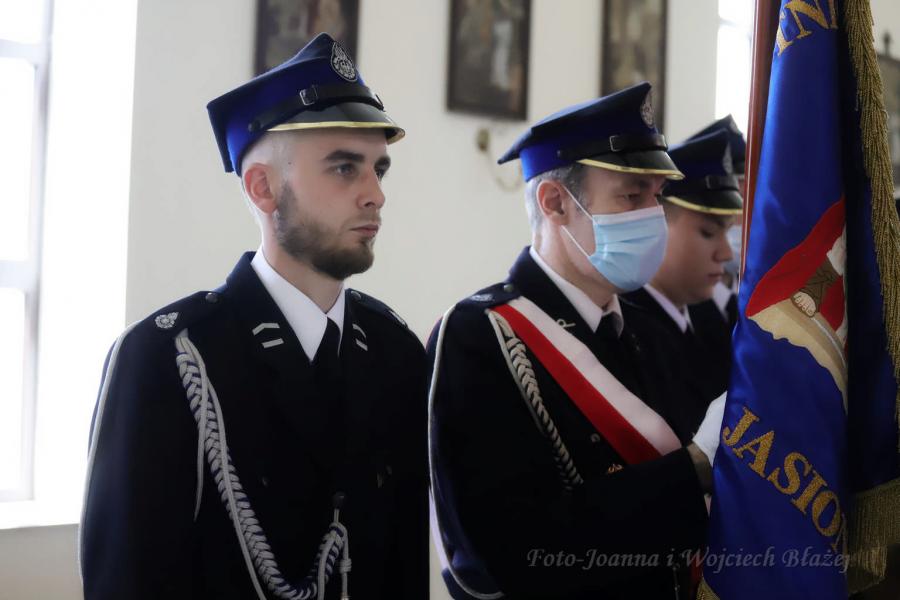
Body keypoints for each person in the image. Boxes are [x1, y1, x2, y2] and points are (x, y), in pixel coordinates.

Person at [79, 33, 428, 600]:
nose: (375, 195)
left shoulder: (395, 352)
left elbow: (403, 569)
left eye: (378, 170)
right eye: (344, 168)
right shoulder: (170, 359)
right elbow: (128, 580)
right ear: (263, 188)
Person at [427, 83, 725, 600]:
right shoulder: (480, 336)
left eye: (656, 197)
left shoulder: (645, 329)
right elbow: (513, 547)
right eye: (631, 196)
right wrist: (694, 467)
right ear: (555, 203)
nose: (652, 215)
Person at [623, 129, 742, 414]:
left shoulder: (700, 316)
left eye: (726, 233)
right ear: (656, 226)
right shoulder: (628, 331)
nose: (726, 253)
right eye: (708, 232)